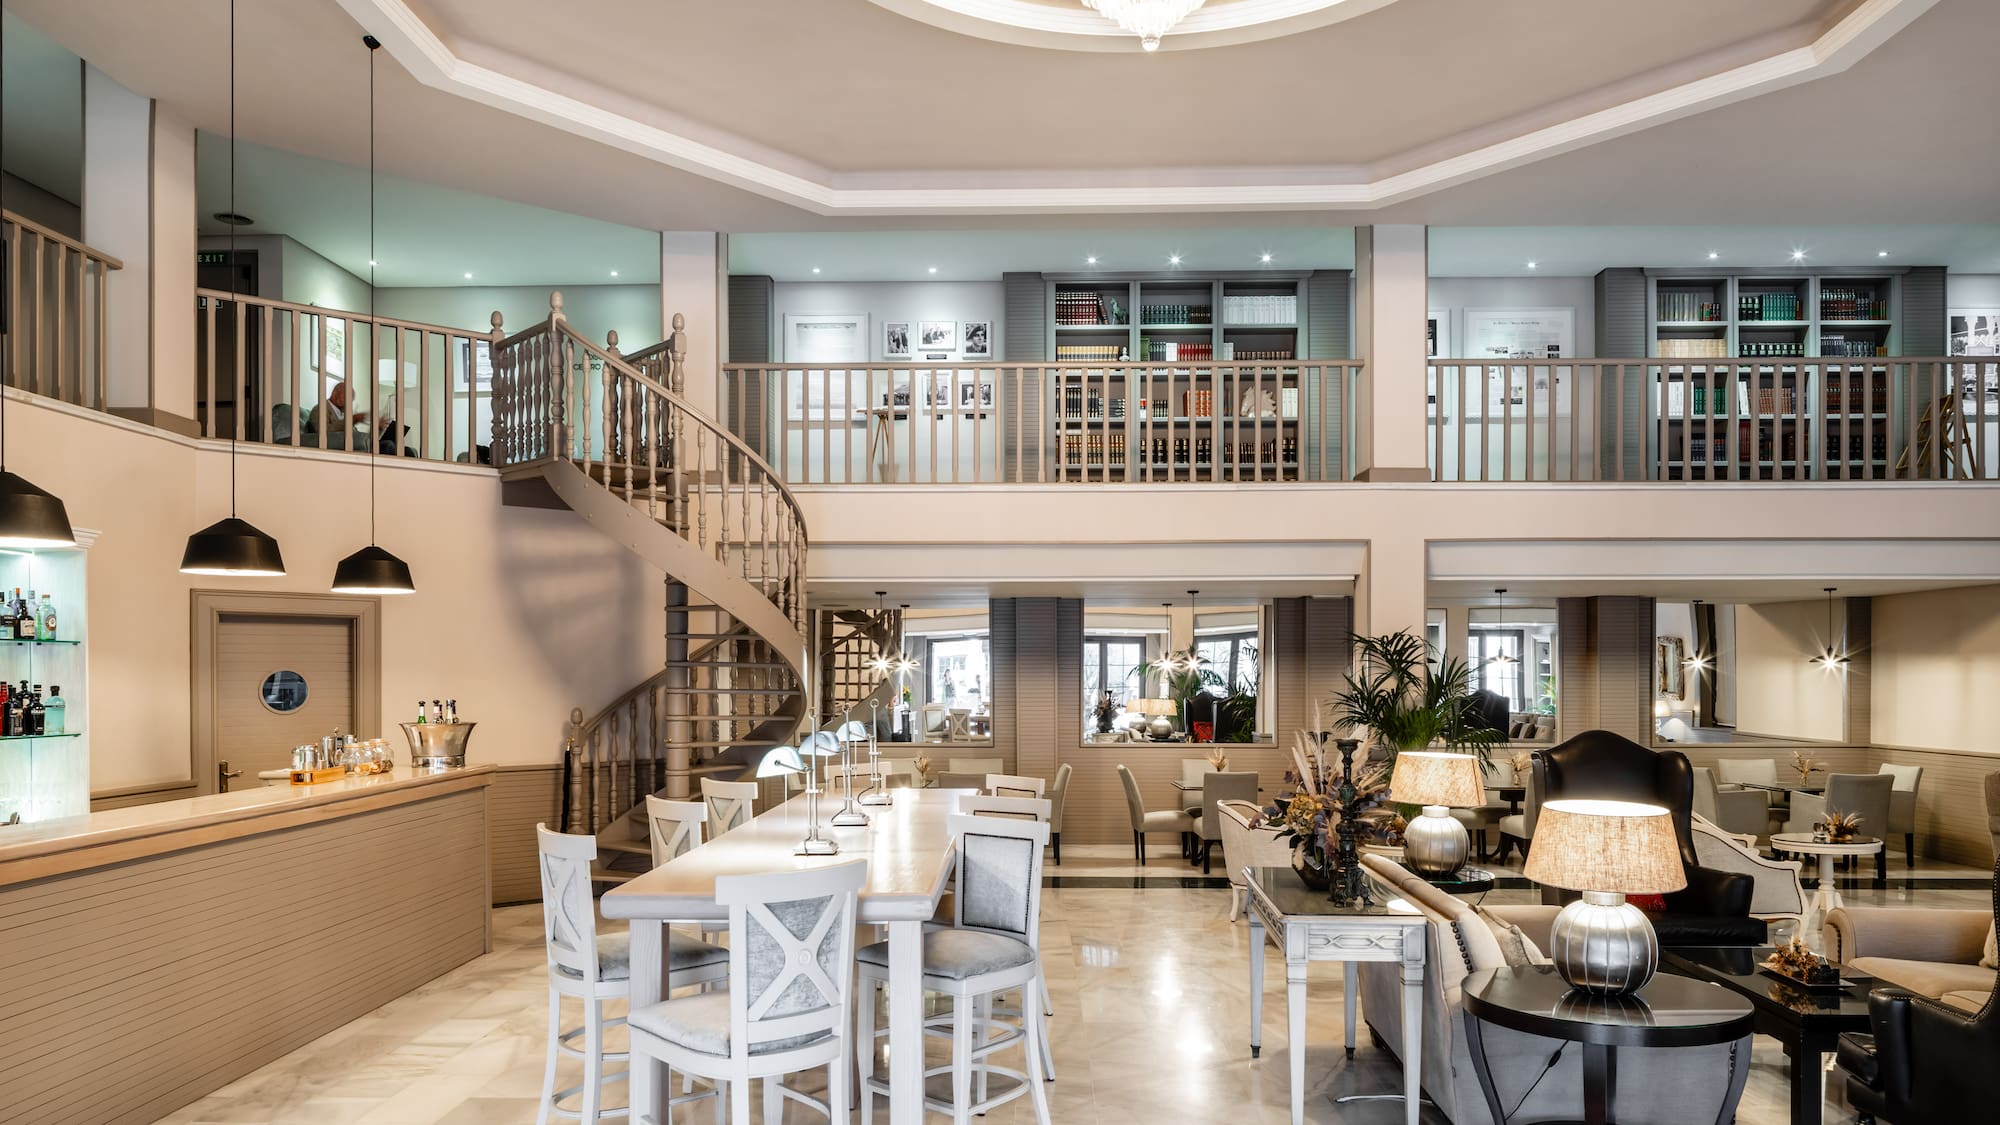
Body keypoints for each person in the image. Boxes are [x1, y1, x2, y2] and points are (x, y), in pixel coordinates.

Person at [305, 383, 369, 449]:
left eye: (351, 400)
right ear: (335, 394)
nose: (349, 402)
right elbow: (322, 431)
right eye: (346, 397)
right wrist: (351, 420)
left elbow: (355, 435)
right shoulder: (320, 408)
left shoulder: (344, 413)